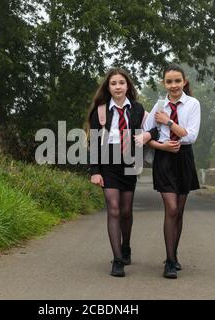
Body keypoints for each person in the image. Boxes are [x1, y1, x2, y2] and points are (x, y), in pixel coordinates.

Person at [85, 68, 154, 277]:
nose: (117, 87)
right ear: (108, 87)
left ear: (127, 86)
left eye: (121, 83)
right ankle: (117, 260)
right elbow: (94, 142)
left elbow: (154, 128)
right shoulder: (101, 111)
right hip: (108, 161)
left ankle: (126, 247)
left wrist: (147, 136)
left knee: (126, 211)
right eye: (113, 83)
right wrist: (95, 170)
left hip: (130, 161)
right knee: (113, 209)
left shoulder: (138, 109)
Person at [136, 63, 201, 279]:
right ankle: (170, 262)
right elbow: (147, 135)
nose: (173, 85)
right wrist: (161, 146)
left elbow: (190, 136)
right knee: (171, 209)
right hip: (164, 158)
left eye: (177, 81)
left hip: (184, 158)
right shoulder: (159, 105)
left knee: (179, 211)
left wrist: (168, 121)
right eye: (169, 81)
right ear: (163, 83)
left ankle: (173, 253)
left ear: (184, 82)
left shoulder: (193, 104)